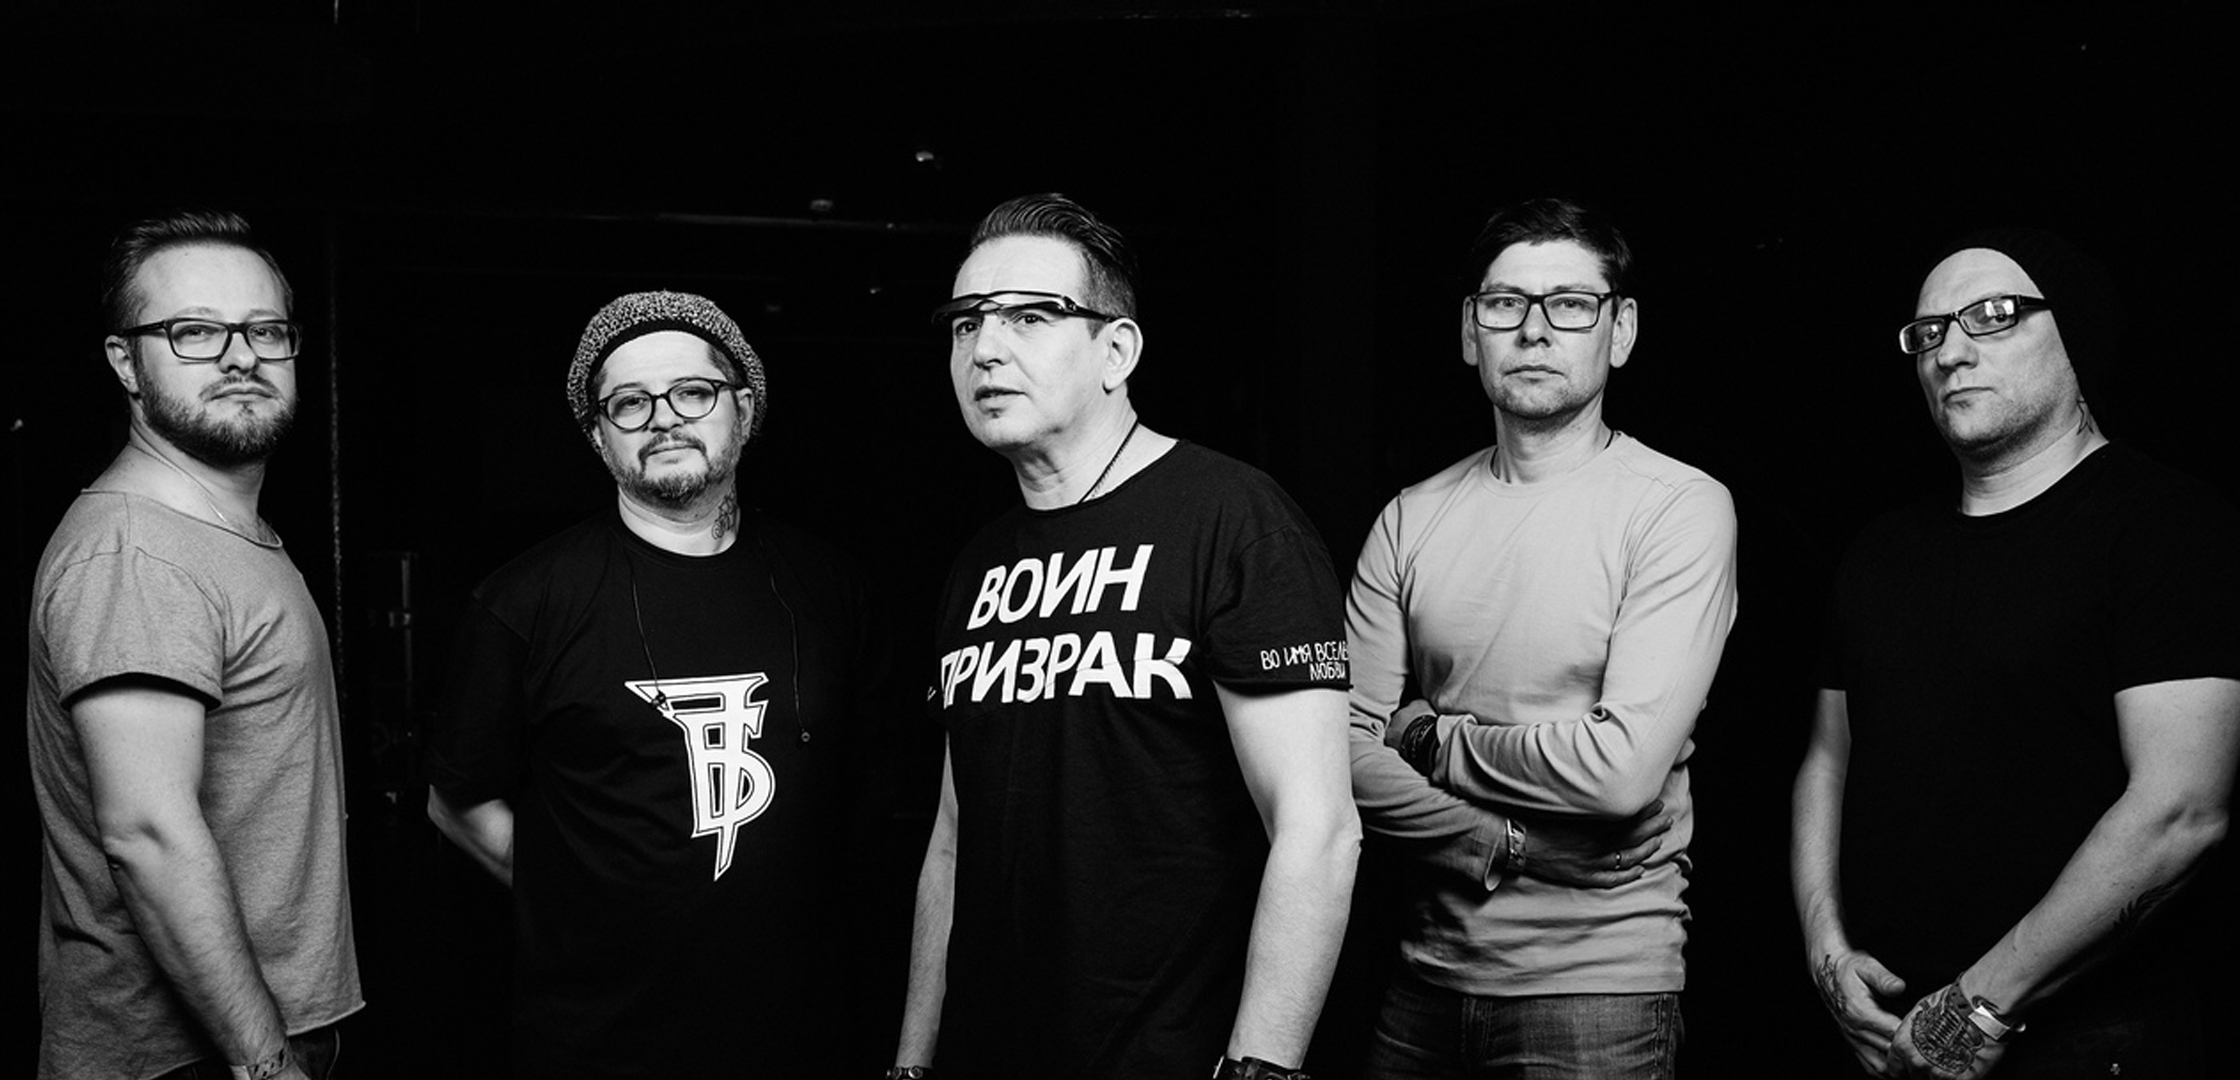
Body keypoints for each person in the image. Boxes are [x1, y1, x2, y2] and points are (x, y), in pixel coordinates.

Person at [891, 193, 1361, 1080]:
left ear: (1117, 351)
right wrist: (913, 1060)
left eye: (1030, 317)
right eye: (965, 323)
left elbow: (1319, 828)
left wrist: (1258, 1068)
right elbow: (954, 839)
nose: (985, 349)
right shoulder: (977, 564)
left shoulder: (1235, 520)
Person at [1792, 230, 2240, 1078]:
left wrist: (1976, 1008)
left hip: (2091, 1042)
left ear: (2076, 334)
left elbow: (2181, 811)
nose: (1950, 352)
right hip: (1885, 1033)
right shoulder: (1881, 551)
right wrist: (1828, 952)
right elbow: (1825, 761)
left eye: (1994, 315)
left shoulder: (2167, 528)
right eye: (1928, 332)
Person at [424, 290, 888, 1077]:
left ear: (744, 407)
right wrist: (576, 902)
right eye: (630, 403)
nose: (664, 419)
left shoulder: (830, 588)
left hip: (802, 1033)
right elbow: (455, 799)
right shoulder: (523, 601)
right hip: (600, 1041)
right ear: (598, 435)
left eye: (692, 392)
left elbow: (872, 798)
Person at [1345, 197, 1737, 1079]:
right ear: (1469, 331)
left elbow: (1620, 771)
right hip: (1424, 978)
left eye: (1569, 304)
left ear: (1619, 330)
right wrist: (1501, 842)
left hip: (1601, 990)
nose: (1533, 330)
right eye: (1504, 303)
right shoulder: (1409, 519)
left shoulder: (1678, 509)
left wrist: (1428, 737)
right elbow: (1337, 748)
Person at [28, 210, 361, 1079]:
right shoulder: (138, 554)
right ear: (125, 362)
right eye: (195, 332)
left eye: (265, 330)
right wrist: (266, 1065)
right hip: (191, 1058)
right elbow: (148, 834)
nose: (240, 356)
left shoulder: (217, 534)